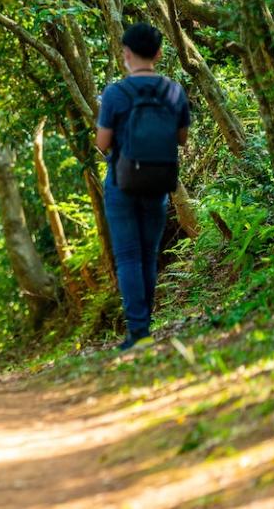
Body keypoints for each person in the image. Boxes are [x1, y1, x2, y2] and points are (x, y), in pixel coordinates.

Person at [96, 22, 191, 351]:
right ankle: (144, 325)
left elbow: (102, 143)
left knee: (128, 256)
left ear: (126, 54)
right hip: (158, 181)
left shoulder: (115, 93)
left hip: (121, 181)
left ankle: (139, 332)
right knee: (149, 256)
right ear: (160, 53)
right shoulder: (174, 91)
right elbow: (182, 138)